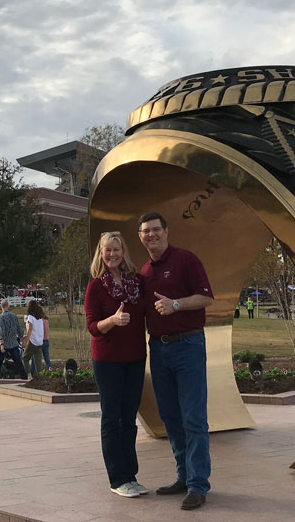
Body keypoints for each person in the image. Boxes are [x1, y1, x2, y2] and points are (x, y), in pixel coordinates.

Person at [137, 212, 214, 511]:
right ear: (140, 236)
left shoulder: (186, 260)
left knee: (193, 418)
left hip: (188, 345)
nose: (151, 235)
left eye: (156, 229)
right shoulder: (144, 272)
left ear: (166, 231)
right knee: (170, 417)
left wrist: (176, 304)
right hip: (158, 349)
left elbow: (206, 298)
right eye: (146, 231)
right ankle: (183, 476)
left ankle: (198, 485)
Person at [84, 231, 148, 498]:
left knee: (129, 417)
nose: (112, 254)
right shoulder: (96, 286)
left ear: (124, 252)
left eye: (116, 249)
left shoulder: (136, 282)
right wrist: (112, 321)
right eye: (107, 250)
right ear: (101, 253)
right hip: (108, 361)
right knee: (112, 418)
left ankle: (130, 475)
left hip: (134, 357)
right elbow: (92, 326)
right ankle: (117, 478)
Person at [0, 301, 27, 380]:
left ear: (1, 307)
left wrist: (2, 344)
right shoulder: (14, 316)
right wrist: (22, 339)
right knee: (18, 361)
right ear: (8, 306)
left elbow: (2, 331)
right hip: (14, 343)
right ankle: (24, 377)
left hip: (5, 343)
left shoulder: (2, 317)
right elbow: (19, 328)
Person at [21, 300, 45, 377]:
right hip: (40, 341)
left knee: (25, 358)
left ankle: (29, 376)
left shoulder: (30, 317)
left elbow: (30, 328)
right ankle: (41, 378)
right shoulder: (40, 318)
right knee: (38, 363)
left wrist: (26, 339)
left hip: (33, 341)